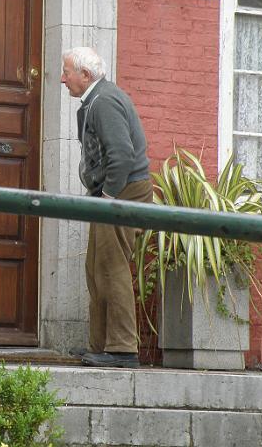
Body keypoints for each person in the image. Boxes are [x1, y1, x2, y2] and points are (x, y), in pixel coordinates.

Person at [60, 46, 152, 368]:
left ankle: (123, 350)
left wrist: (109, 198)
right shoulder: (96, 101)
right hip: (114, 192)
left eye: (67, 72)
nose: (62, 79)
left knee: (112, 267)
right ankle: (100, 345)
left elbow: (123, 155)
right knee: (96, 266)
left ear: (85, 76)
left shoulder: (105, 102)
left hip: (125, 192)